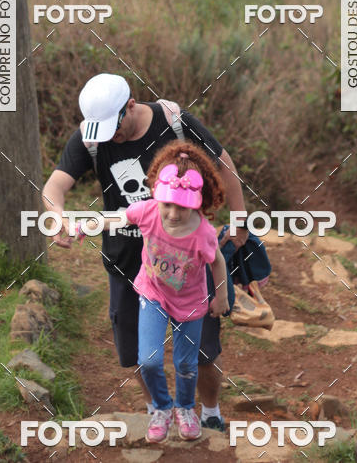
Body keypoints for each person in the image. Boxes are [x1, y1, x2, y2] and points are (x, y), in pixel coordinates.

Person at [42, 72, 249, 431]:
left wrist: (241, 218)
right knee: (138, 353)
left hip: (188, 262)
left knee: (202, 352)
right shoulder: (91, 136)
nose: (110, 137)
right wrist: (59, 220)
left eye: (114, 127)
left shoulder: (174, 122)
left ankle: (210, 412)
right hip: (128, 263)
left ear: (131, 106)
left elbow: (223, 164)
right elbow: (53, 187)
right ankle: (159, 409)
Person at [77, 141, 229, 443]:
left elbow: (218, 262)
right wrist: (89, 224)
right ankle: (161, 408)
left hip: (190, 304)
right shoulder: (148, 211)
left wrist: (221, 296)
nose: (173, 213)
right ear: (156, 197)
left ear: (196, 203)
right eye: (167, 204)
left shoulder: (202, 233)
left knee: (186, 363)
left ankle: (185, 408)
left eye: (182, 207)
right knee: (148, 360)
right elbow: (117, 218)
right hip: (153, 294)